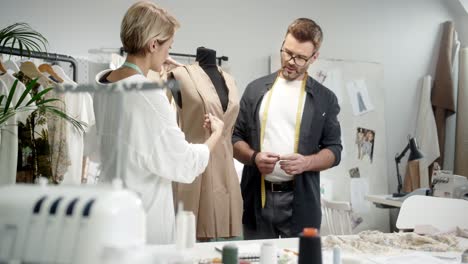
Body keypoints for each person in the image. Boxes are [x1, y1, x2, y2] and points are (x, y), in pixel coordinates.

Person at [93, 1, 224, 244]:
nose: (168, 54)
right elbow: (185, 164)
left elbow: (98, 149)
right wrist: (216, 134)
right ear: (153, 44)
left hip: (111, 214)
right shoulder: (147, 95)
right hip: (143, 221)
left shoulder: (102, 85)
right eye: (168, 46)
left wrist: (151, 65)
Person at [232, 18, 342, 239]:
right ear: (283, 44)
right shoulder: (255, 90)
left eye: (301, 58)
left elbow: (334, 151)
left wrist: (306, 163)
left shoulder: (325, 99)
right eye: (287, 52)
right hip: (256, 201)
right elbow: (235, 138)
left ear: (314, 57)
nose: (291, 61)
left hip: (302, 204)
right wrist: (254, 157)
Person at [170, 47, 243, 240]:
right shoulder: (178, 76)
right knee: (194, 241)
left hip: (227, 169)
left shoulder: (230, 80)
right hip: (196, 167)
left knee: (226, 248)